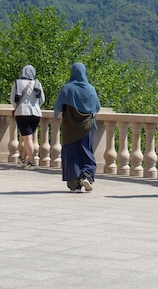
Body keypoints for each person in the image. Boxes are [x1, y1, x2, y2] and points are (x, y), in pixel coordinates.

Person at [54, 62, 101, 192]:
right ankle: (87, 175)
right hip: (87, 126)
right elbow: (96, 107)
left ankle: (74, 181)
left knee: (71, 153)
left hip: (70, 127)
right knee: (86, 151)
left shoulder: (67, 88)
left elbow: (58, 106)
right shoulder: (90, 89)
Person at [10, 65, 45, 170]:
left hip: (22, 112)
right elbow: (42, 99)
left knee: (27, 137)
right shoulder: (37, 83)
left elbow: (12, 99)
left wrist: (17, 107)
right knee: (29, 137)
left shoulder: (18, 83)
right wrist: (35, 105)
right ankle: (23, 158)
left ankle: (32, 162)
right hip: (36, 113)